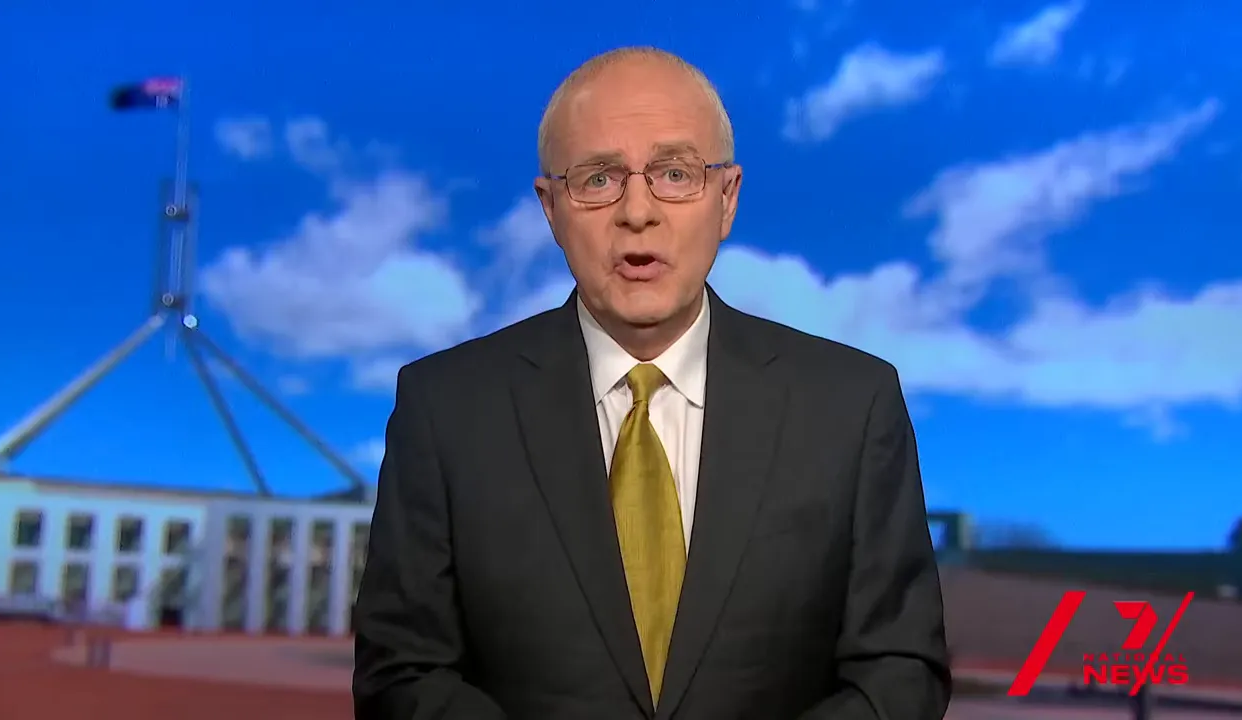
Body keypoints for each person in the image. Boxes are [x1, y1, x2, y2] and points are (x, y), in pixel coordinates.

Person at [352, 46, 951, 720]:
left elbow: (901, 672)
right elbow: (401, 673)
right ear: (551, 209)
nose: (638, 211)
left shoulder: (851, 405)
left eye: (674, 173)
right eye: (600, 179)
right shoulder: (447, 408)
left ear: (727, 200)